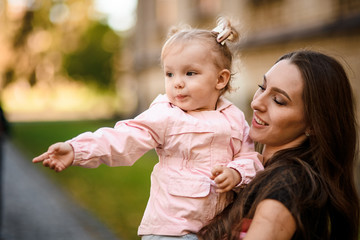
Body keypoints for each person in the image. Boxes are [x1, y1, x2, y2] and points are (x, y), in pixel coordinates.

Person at [32, 17, 263, 239]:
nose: (177, 82)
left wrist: (236, 173)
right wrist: (76, 150)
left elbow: (251, 158)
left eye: (190, 73)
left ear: (220, 80)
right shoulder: (166, 114)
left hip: (218, 229)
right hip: (171, 231)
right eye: (169, 74)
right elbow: (123, 138)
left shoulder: (234, 118)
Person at [197, 50, 360, 240]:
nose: (256, 103)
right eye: (262, 87)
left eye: (278, 100)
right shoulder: (255, 170)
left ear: (314, 124)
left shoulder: (288, 184)